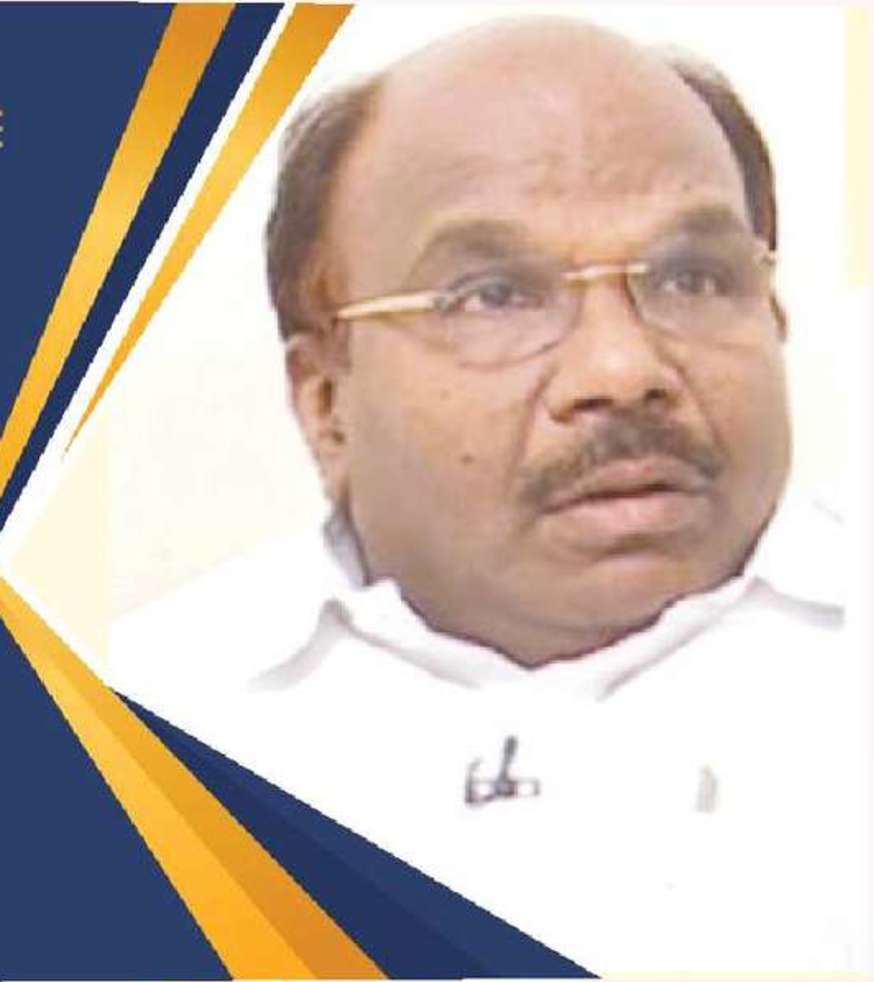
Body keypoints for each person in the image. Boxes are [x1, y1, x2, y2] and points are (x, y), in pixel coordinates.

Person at [111, 15, 867, 974]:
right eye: (496, 294)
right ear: (327, 400)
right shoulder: (131, 735)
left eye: (691, 278)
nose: (622, 369)